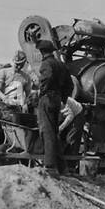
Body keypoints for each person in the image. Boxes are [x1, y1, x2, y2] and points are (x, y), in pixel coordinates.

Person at [35, 40, 71, 174]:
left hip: (47, 99)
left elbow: (47, 78)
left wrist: (42, 91)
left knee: (47, 131)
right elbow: (70, 85)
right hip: (57, 99)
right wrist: (63, 99)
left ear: (42, 52)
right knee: (54, 132)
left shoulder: (46, 64)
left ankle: (50, 166)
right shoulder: (62, 65)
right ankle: (62, 167)